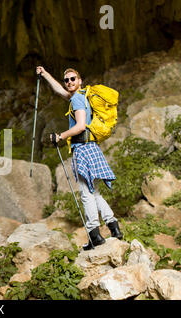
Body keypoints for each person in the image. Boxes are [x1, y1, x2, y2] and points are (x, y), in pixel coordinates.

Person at [36, 66, 123, 250]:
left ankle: (94, 236)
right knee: (95, 192)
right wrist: (44, 74)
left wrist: (61, 136)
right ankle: (114, 228)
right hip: (91, 148)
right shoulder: (81, 96)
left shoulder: (76, 99)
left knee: (86, 194)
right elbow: (59, 90)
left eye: (72, 79)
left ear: (80, 80)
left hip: (82, 149)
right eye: (66, 80)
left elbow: (81, 126)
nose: (68, 82)